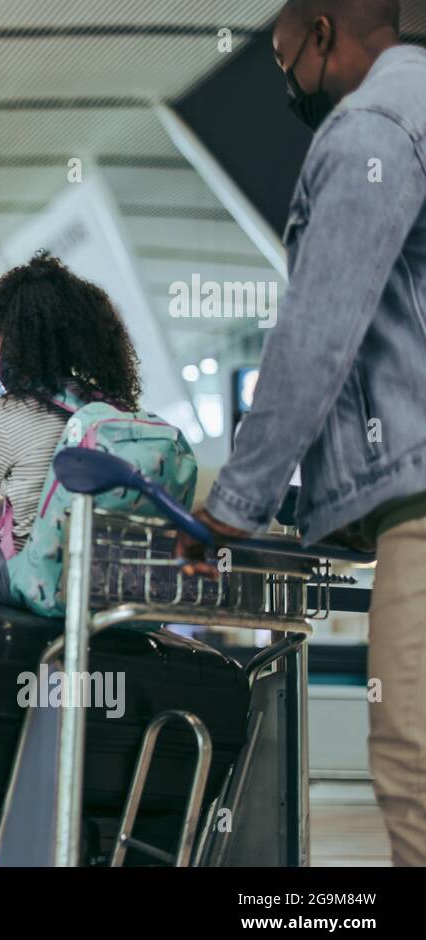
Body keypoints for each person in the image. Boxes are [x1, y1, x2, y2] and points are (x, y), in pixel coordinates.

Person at [176, 0, 426, 866]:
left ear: (323, 32)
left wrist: (234, 507)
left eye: (290, 73)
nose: (295, 94)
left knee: (415, 767)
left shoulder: (373, 125)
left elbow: (317, 333)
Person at [0, 253, 142, 604]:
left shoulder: (6, 413)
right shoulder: (112, 411)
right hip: (112, 585)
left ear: (13, 341)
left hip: (40, 576)